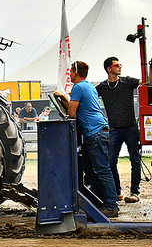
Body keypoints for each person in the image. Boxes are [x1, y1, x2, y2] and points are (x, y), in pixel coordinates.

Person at [54, 60, 119, 218]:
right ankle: (100, 200)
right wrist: (63, 97)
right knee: (90, 169)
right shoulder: (88, 86)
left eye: (70, 71)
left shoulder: (77, 87)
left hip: (94, 133)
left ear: (76, 73)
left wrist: (65, 101)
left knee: (102, 170)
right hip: (99, 131)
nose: (69, 74)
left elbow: (72, 113)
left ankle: (111, 205)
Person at [96, 57, 142, 203]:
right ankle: (117, 192)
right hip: (114, 129)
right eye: (117, 65)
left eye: (120, 64)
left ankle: (135, 192)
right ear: (109, 69)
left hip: (130, 127)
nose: (120, 67)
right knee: (110, 162)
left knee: (135, 160)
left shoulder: (127, 81)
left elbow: (145, 82)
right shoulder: (102, 87)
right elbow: (89, 97)